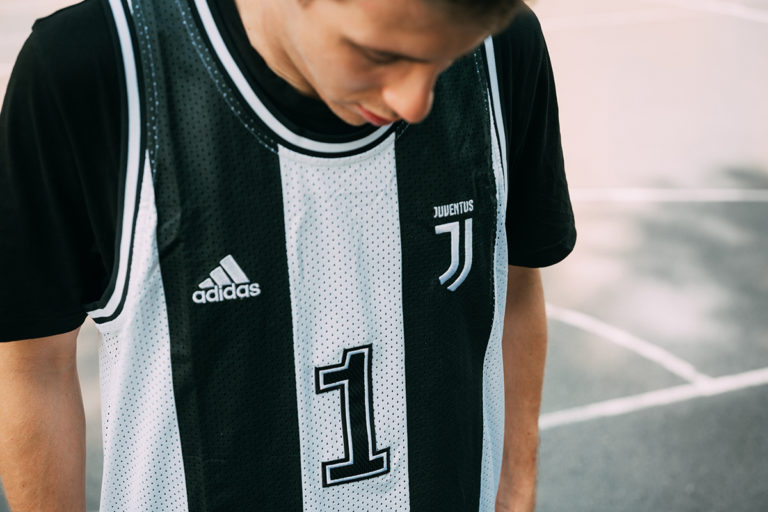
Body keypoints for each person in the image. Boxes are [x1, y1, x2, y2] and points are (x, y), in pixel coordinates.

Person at [0, 0, 576, 510]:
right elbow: (34, 363)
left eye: (447, 57)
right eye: (379, 55)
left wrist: (515, 491)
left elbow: (515, 284)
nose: (414, 101)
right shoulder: (96, 68)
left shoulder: (502, 40)